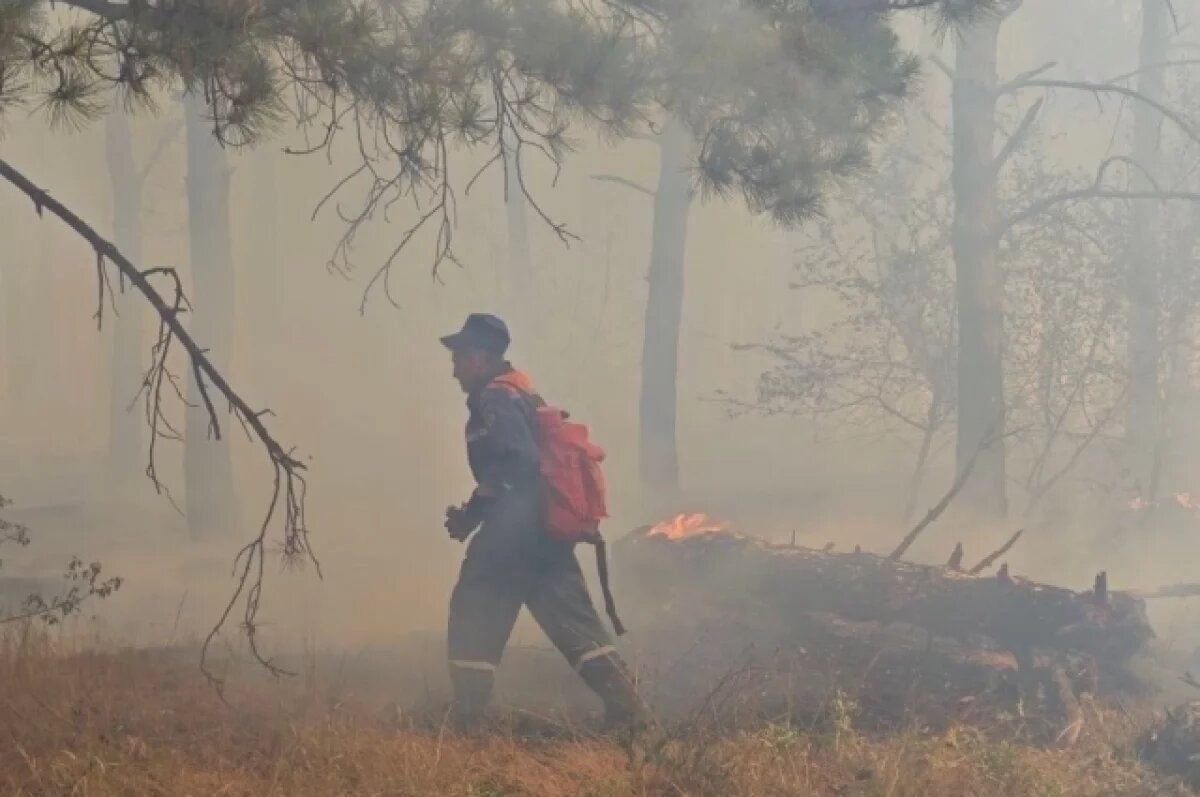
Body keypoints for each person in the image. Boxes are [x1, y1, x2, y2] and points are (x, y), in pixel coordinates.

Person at [439, 313, 645, 731]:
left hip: (513, 535)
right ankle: (630, 712)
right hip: (545, 535)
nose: (455, 366)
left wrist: (479, 510)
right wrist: (475, 513)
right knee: (574, 623)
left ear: (479, 356)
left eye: (459, 356)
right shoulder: (520, 392)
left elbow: (519, 461)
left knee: (474, 612)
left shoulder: (495, 398)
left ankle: (467, 719)